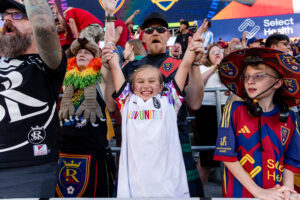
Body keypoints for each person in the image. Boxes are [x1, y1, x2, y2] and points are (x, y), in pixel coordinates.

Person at [102, 0, 205, 197]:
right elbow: (111, 105)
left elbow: (194, 103)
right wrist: (108, 71)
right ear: (142, 37)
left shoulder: (181, 64)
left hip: (175, 137)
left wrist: (195, 63)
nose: (155, 33)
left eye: (160, 29)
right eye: (149, 30)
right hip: (138, 142)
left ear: (168, 35)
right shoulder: (131, 67)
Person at [0, 0, 66, 197]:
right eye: (4, 17)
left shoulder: (45, 63)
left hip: (28, 169)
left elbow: (46, 28)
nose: (8, 20)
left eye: (18, 15)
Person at [214, 48, 300, 199]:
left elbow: (291, 159)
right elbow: (226, 155)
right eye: (246, 76)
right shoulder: (234, 110)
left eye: (259, 76)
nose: (250, 81)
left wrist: (287, 190)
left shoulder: (289, 117)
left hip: (276, 193)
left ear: (278, 83)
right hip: (240, 195)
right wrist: (258, 192)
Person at [56, 37, 116, 197]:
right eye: (79, 52)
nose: (82, 54)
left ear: (96, 58)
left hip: (91, 153)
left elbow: (109, 52)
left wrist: (110, 16)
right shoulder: (68, 81)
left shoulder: (99, 79)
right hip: (64, 154)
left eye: (87, 52)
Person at [195, 44, 228, 186]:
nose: (216, 53)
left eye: (219, 51)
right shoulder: (203, 68)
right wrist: (214, 68)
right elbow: (199, 83)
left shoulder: (228, 68)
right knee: (206, 156)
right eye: (213, 52)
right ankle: (198, 193)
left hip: (226, 109)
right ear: (208, 57)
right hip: (207, 110)